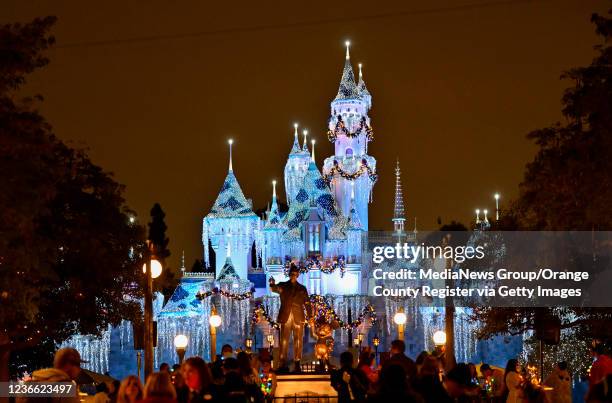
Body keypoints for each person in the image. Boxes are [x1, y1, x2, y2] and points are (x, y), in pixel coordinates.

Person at [269, 264, 310, 373]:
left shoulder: (302, 288)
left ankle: (297, 362)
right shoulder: (283, 286)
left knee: (298, 340)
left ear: (298, 275)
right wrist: (271, 283)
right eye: (291, 274)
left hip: (298, 316)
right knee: (284, 340)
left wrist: (310, 316)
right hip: (286, 316)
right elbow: (274, 289)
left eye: (295, 274)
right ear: (289, 274)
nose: (293, 276)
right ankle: (282, 362)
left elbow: (307, 302)